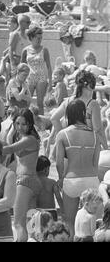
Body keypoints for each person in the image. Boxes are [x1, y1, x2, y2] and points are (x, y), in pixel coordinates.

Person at [55, 99, 101, 239]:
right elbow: (95, 163)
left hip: (72, 180)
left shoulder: (62, 134)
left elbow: (58, 163)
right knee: (93, 224)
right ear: (83, 114)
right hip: (92, 180)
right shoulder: (95, 135)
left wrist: (61, 178)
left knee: (70, 222)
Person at [2, 109, 41, 242]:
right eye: (17, 123)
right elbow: (14, 149)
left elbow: (10, 149)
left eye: (23, 124)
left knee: (19, 224)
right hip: (32, 182)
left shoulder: (29, 139)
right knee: (32, 226)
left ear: (30, 124)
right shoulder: (29, 139)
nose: (20, 127)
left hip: (24, 182)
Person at [21, 27, 52, 115]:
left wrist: (50, 82)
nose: (40, 40)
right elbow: (21, 67)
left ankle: (42, 123)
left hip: (41, 77)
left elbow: (49, 66)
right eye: (37, 38)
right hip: (29, 77)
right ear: (31, 38)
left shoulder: (44, 50)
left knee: (40, 103)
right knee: (26, 103)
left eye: (41, 38)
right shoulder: (25, 50)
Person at [36, 156, 63, 221]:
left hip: (37, 212)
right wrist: (63, 210)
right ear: (46, 169)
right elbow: (58, 198)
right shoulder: (52, 182)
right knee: (51, 230)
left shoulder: (33, 182)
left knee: (38, 230)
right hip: (51, 212)